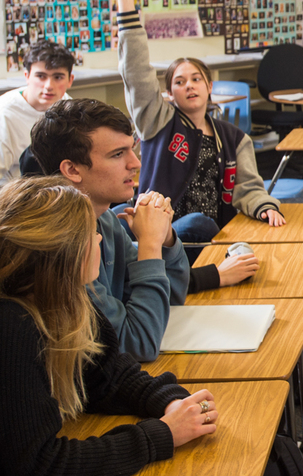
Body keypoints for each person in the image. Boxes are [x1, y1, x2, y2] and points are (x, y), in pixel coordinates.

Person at [0, 176, 221, 476]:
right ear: (60, 255)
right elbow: (40, 464)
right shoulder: (14, 328)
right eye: (90, 234)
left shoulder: (65, 302)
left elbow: (107, 375)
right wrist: (159, 435)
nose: (99, 239)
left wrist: (168, 401)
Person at [31, 98, 257, 360]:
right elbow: (137, 344)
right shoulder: (64, 246)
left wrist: (166, 238)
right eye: (117, 154)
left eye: (131, 149)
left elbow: (169, 300)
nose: (135, 163)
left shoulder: (103, 220)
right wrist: (150, 244)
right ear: (72, 169)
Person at [108, 0, 284, 251]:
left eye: (196, 79)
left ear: (209, 86)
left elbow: (248, 187)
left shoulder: (233, 138)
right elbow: (136, 71)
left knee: (230, 241)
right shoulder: (157, 123)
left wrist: (264, 206)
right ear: (169, 93)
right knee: (196, 223)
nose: (189, 86)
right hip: (161, 236)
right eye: (179, 81)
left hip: (217, 235)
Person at [0, 40, 75, 187]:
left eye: (58, 77)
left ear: (70, 80)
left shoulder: (68, 107)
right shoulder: (4, 114)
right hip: (16, 200)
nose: (48, 86)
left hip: (59, 195)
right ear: (27, 76)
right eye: (41, 76)